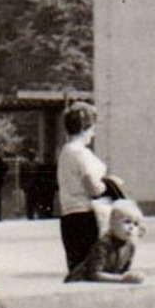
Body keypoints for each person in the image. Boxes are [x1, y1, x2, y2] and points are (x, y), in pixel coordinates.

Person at [57, 102, 110, 272]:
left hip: (68, 216)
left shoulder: (65, 152)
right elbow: (92, 187)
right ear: (85, 128)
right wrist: (108, 185)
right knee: (91, 268)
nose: (93, 134)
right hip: (85, 216)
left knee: (76, 267)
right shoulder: (80, 153)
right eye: (92, 129)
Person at [64, 200, 146, 284]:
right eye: (127, 222)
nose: (131, 227)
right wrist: (121, 279)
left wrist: (131, 277)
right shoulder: (103, 244)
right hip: (79, 281)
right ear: (112, 223)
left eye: (136, 224)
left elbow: (123, 271)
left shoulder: (130, 246)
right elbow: (94, 274)